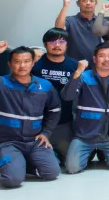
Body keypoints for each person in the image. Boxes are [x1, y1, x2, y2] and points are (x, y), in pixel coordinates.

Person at [0, 42, 61, 188]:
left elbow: (54, 110)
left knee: (52, 172)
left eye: (26, 61)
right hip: (7, 142)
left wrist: (46, 133)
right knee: (12, 180)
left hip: (34, 141)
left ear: (33, 63)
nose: (22, 65)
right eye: (17, 61)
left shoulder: (44, 86)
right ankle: (2, 166)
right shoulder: (0, 83)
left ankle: (19, 165)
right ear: (10, 64)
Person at [61, 42, 109, 174]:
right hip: (84, 136)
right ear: (94, 59)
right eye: (102, 56)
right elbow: (67, 96)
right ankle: (90, 152)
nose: (107, 59)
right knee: (72, 168)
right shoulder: (83, 77)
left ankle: (103, 152)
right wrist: (78, 72)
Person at [32, 27, 78, 160]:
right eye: (52, 42)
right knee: (40, 159)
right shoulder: (35, 65)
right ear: (45, 44)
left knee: (70, 161)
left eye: (61, 42)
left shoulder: (74, 66)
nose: (57, 45)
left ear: (67, 45)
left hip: (64, 121)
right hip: (39, 122)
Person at [55, 0, 101, 64]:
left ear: (96, 3)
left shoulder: (101, 21)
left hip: (96, 65)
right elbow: (58, 29)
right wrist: (65, 7)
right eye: (84, 0)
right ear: (78, 3)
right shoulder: (70, 20)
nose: (88, 3)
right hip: (73, 64)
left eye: (91, 1)